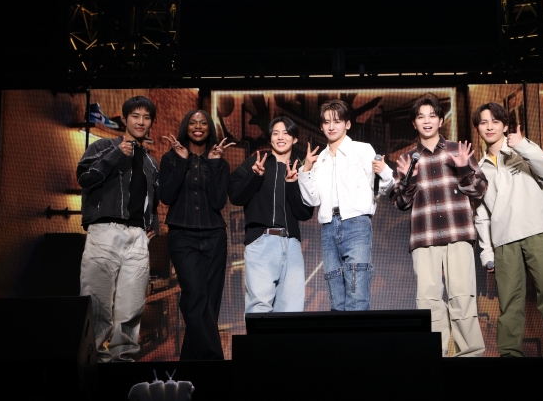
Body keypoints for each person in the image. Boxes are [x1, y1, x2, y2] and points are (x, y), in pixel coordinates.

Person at [472, 102, 543, 357]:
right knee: (509, 305)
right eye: (484, 122)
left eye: (495, 121)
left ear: (505, 126)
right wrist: (486, 251)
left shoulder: (524, 149)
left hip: (539, 230)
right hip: (505, 240)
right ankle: (510, 359)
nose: (490, 126)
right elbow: (481, 214)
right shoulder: (479, 169)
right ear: (478, 129)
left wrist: (523, 145)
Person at [391, 96, 487, 357]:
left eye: (432, 115)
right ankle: (436, 359)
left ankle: (471, 358)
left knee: (463, 298)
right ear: (414, 123)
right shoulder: (407, 159)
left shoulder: (458, 150)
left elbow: (480, 190)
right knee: (428, 302)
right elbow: (400, 203)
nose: (427, 121)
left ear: (441, 120)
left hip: (458, 234)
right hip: (425, 238)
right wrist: (408, 180)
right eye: (421, 116)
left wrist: (464, 169)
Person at [77, 95, 159, 363]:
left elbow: (152, 199)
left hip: (138, 237)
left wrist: (153, 225)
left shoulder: (150, 162)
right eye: (135, 116)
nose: (141, 122)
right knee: (96, 303)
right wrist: (115, 155)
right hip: (105, 230)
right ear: (124, 119)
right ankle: (93, 363)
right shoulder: (103, 146)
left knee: (131, 307)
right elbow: (84, 178)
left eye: (146, 117)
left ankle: (123, 362)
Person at [298, 99, 394, 311]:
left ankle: (358, 334)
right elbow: (311, 200)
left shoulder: (362, 150)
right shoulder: (319, 159)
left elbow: (383, 188)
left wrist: (385, 171)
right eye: (326, 122)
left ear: (347, 124)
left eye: (337, 121)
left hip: (356, 223)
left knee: (356, 290)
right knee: (336, 295)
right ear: (321, 126)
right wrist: (305, 170)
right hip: (328, 226)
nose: (331, 126)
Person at [159, 109, 235, 360]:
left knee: (210, 303)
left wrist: (213, 164)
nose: (198, 126)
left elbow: (218, 202)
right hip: (182, 237)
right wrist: (181, 161)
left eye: (203, 123)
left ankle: (190, 365)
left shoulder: (220, 163)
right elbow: (166, 196)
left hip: (214, 237)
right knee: (194, 297)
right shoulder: (170, 159)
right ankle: (214, 360)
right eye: (193, 122)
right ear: (186, 127)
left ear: (209, 128)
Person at [229, 116, 314, 313]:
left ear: (294, 139)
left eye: (286, 133)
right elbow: (235, 196)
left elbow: (305, 213)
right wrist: (254, 176)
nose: (280, 137)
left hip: (291, 245)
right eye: (276, 133)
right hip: (261, 241)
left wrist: (292, 184)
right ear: (270, 138)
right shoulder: (257, 162)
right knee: (259, 306)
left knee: (292, 310)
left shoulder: (300, 169)